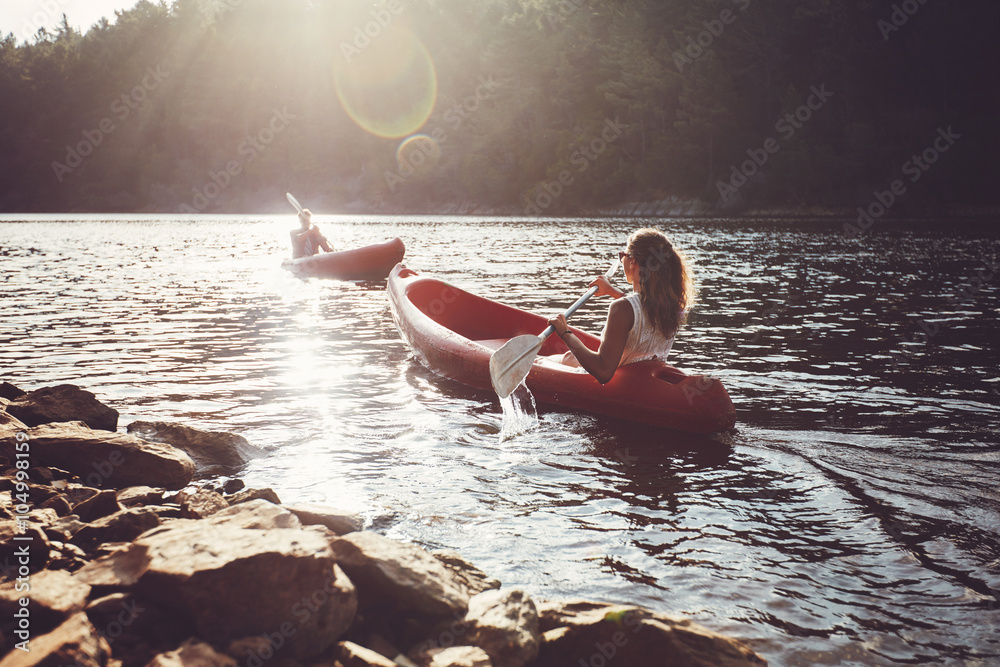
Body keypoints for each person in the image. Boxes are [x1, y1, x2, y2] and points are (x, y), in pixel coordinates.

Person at [547, 228, 695, 384]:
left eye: (622, 256)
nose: (621, 260)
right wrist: (612, 291)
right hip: (643, 379)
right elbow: (642, 311)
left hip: (616, 381)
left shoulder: (621, 308)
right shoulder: (673, 305)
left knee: (543, 361)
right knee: (569, 357)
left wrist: (565, 333)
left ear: (633, 262)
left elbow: (603, 372)